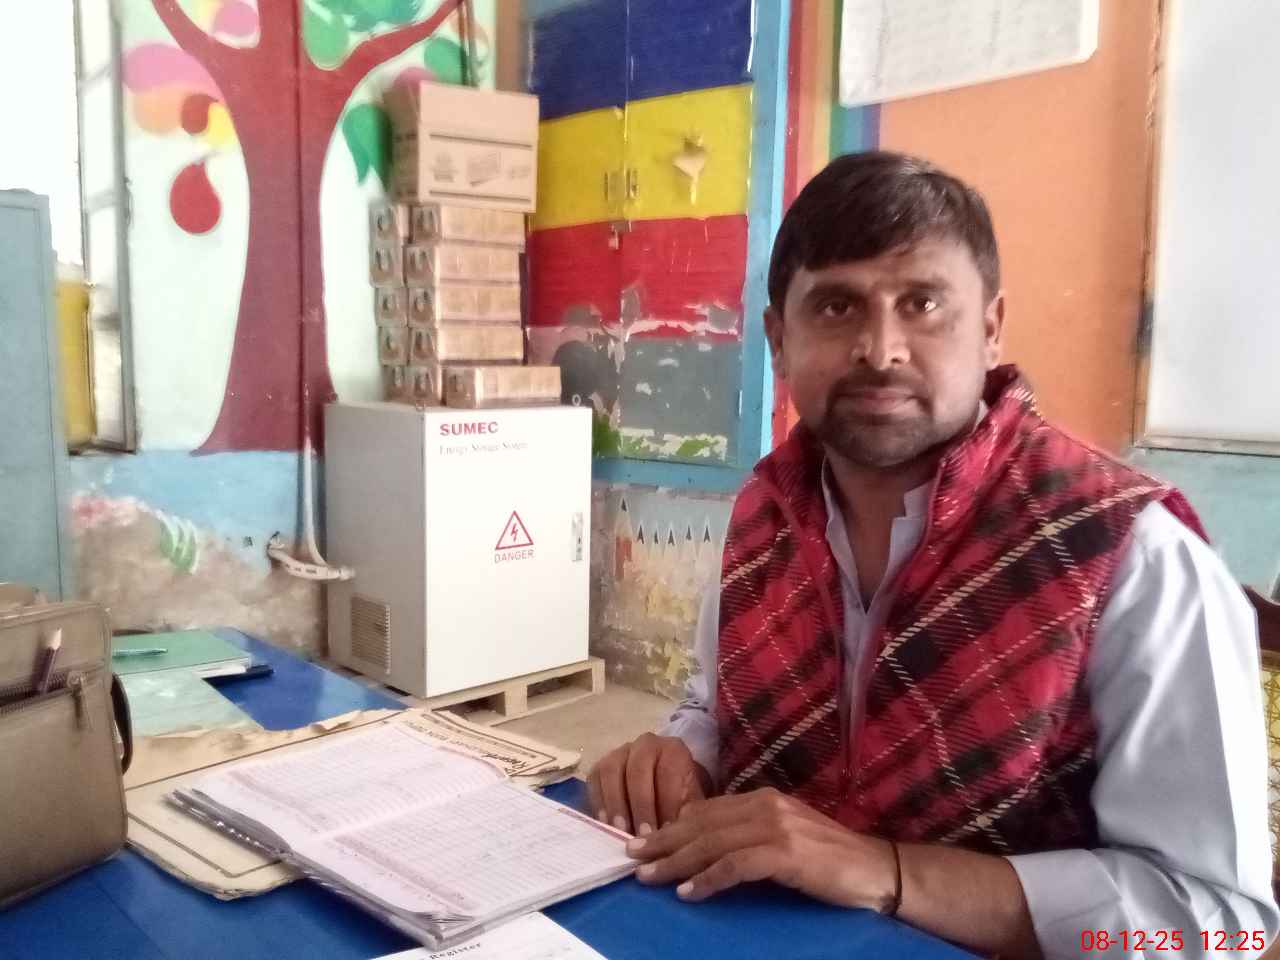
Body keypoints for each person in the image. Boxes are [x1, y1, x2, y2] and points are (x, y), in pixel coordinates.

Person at [588, 151, 1279, 958]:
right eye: (837, 306)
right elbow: (714, 706)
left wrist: (887, 871)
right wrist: (682, 754)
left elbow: (1220, 924)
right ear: (779, 340)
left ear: (990, 328)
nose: (881, 349)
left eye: (922, 304)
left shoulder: (1132, 555)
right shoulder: (761, 514)